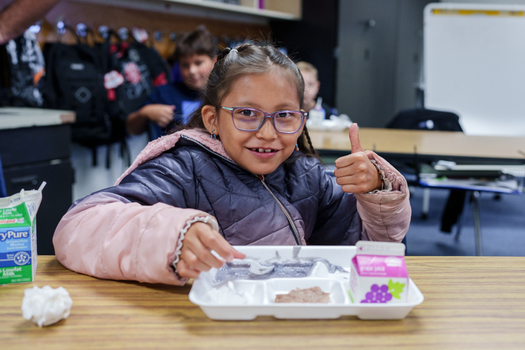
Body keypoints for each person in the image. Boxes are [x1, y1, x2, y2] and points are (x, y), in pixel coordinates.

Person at [53, 43, 411, 285]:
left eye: (284, 115)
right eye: (246, 113)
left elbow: (367, 258)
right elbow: (77, 227)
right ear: (212, 119)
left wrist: (377, 192)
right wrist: (172, 237)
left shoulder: (309, 177)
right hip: (198, 328)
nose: (268, 133)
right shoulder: (183, 167)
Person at [126, 25, 217, 139]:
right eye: (185, 65)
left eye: (198, 63)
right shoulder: (165, 93)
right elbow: (131, 127)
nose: (192, 71)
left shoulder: (223, 94)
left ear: (214, 61)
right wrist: (145, 112)